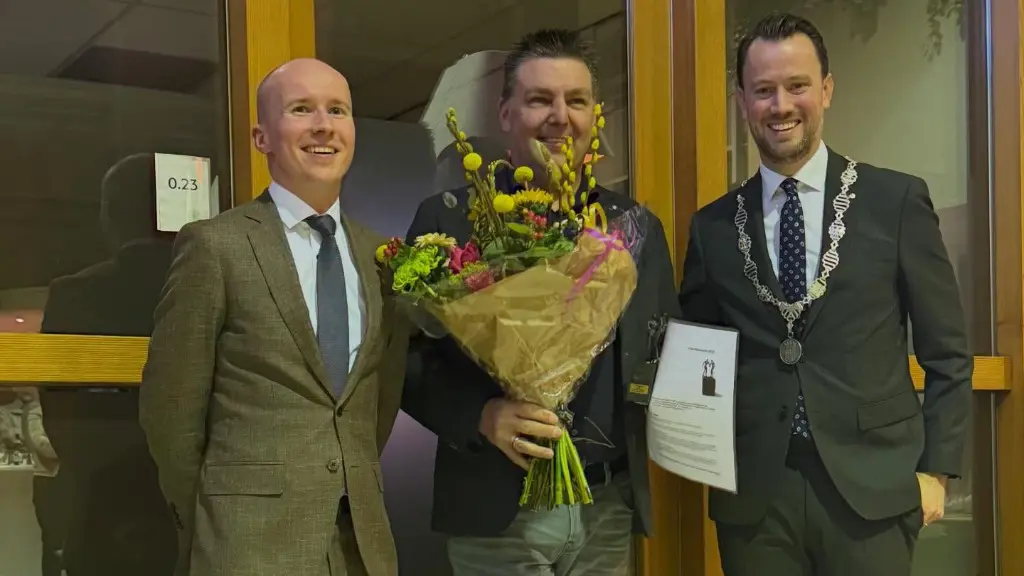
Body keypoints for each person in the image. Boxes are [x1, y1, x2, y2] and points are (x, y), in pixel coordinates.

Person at [678, 12, 973, 576]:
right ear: (741, 101)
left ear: (827, 90)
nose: (781, 105)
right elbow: (697, 356)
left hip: (875, 490)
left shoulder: (895, 201)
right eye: (763, 90)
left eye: (797, 86)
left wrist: (936, 471)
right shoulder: (712, 228)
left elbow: (949, 354)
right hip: (757, 501)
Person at [401, 29, 679, 575]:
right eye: (539, 100)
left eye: (576, 100)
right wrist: (480, 415)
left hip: (606, 508)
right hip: (496, 508)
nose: (560, 117)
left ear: (595, 115)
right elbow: (401, 360)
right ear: (506, 114)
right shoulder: (449, 222)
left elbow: (663, 349)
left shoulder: (635, 229)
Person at [139, 58, 409, 576]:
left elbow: (381, 401)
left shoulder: (382, 257)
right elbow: (170, 411)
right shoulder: (216, 247)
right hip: (247, 545)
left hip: (362, 546)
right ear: (262, 137)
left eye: (338, 110)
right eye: (301, 109)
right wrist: (216, 514)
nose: (324, 125)